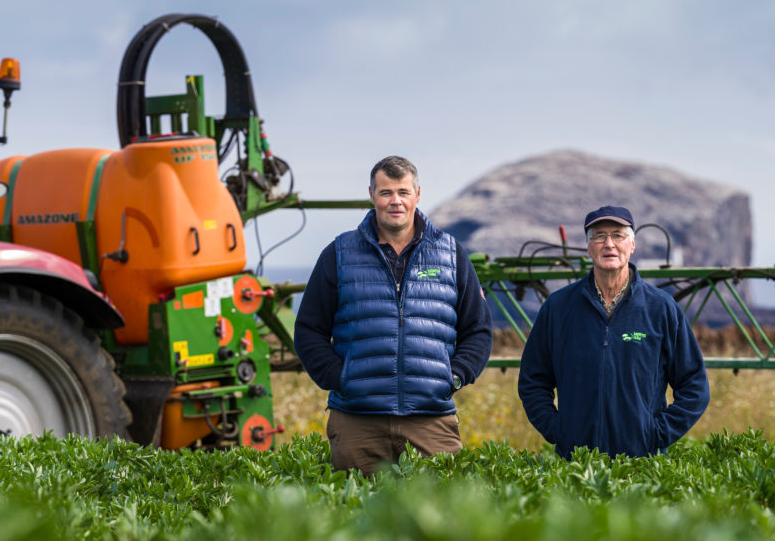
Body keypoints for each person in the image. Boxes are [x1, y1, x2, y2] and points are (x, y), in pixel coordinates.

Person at [294, 155, 493, 474]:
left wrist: (452, 377)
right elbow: (308, 331)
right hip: (357, 423)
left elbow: (478, 330)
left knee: (436, 519)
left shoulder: (451, 254)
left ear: (417, 194)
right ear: (372, 195)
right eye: (386, 192)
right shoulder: (339, 253)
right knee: (354, 517)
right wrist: (340, 378)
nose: (395, 201)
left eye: (403, 191)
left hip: (430, 421)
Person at [517, 205, 710, 459]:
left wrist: (654, 434)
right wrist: (559, 430)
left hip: (642, 465)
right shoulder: (558, 307)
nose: (609, 244)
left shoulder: (661, 308)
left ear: (632, 245)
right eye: (599, 236)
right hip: (576, 465)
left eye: (618, 235)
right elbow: (533, 381)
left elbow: (694, 386)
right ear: (589, 247)